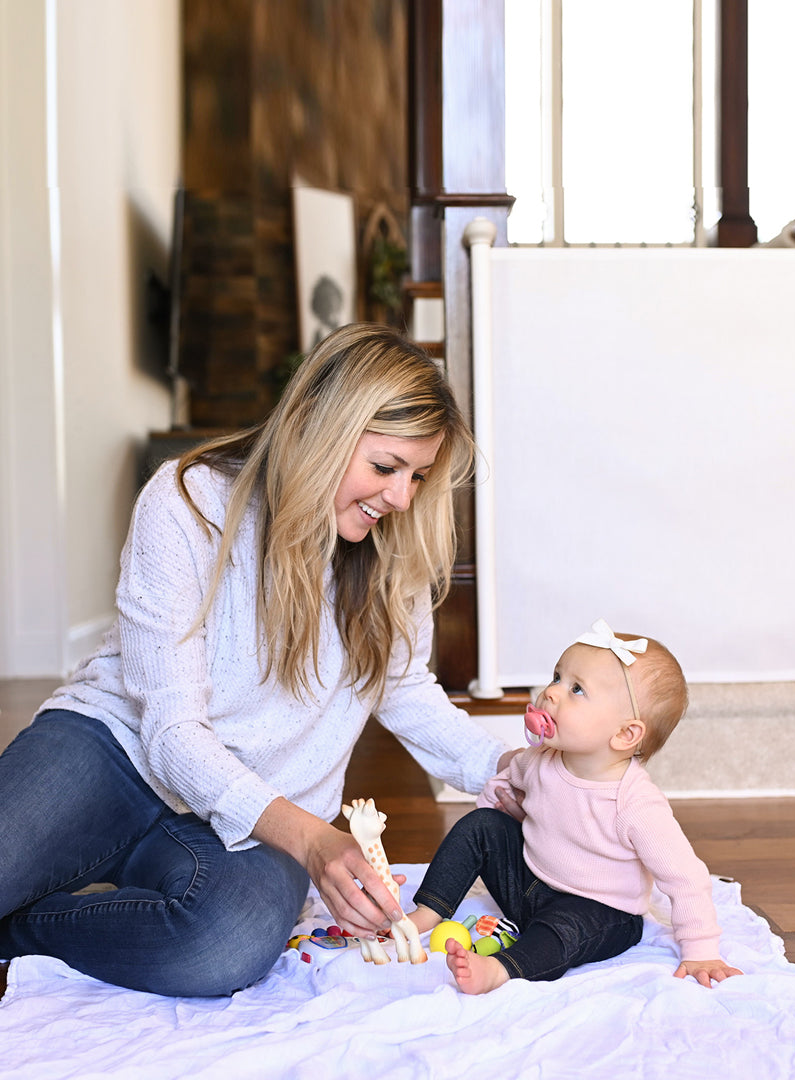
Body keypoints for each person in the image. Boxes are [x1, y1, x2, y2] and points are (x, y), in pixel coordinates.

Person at [0, 323, 516, 998]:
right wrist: (311, 841)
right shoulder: (188, 502)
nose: (401, 498)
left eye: (418, 476)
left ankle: (22, 932)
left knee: (223, 946)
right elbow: (171, 733)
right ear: (318, 429)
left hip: (267, 803)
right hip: (116, 752)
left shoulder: (392, 552)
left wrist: (509, 772)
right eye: (386, 467)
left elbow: (407, 691)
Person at [407, 619, 744, 995]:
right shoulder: (540, 758)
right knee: (480, 823)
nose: (551, 693)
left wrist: (701, 950)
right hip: (531, 885)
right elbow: (501, 787)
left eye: (577, 689)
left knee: (563, 930)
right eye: (557, 677)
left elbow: (684, 878)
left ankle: (501, 969)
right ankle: (428, 911)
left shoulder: (635, 803)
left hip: (600, 912)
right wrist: (494, 834)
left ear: (624, 734)